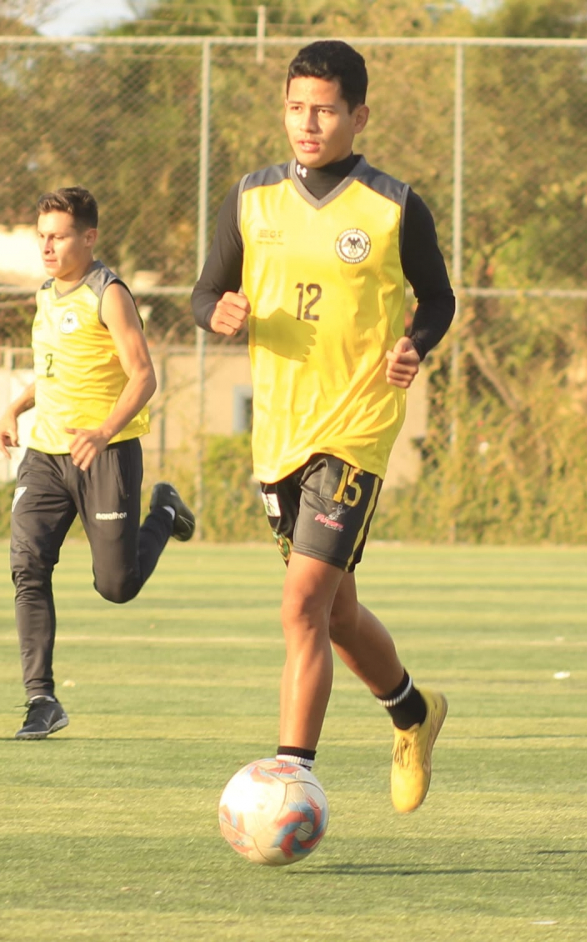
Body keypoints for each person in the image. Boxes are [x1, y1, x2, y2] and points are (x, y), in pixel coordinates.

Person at [192, 41, 455, 812]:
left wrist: (416, 344)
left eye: (326, 109)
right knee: (335, 614)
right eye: (297, 107)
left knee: (301, 603)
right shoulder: (250, 198)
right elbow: (204, 292)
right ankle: (412, 711)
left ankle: (291, 778)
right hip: (278, 436)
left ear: (357, 115)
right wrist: (219, 314)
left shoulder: (393, 206)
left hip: (356, 429)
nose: (308, 123)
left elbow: (438, 299)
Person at [0, 186, 195, 740]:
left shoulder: (109, 293)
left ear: (89, 236)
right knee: (27, 565)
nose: (47, 247)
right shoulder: (44, 295)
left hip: (106, 454)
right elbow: (59, 371)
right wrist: (15, 406)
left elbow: (143, 375)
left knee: (117, 586)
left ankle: (164, 512)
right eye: (41, 237)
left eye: (58, 236)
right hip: (46, 457)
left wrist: (105, 432)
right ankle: (41, 700)